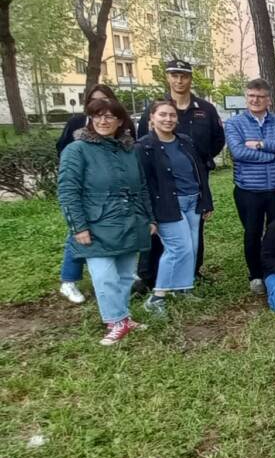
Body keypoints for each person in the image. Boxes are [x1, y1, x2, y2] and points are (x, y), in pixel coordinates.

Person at [57, 98, 154, 345]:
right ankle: (116, 320)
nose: (103, 121)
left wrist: (149, 217)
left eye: (110, 116)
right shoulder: (77, 150)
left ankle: (123, 317)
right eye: (97, 115)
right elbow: (68, 191)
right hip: (96, 224)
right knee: (104, 276)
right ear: (90, 119)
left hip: (130, 221)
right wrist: (78, 226)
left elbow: (142, 186)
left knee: (125, 275)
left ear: (120, 121)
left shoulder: (128, 150)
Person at [133, 60, 224, 292]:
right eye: (174, 75)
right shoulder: (154, 109)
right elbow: (143, 143)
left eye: (184, 76)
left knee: (193, 235)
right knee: (160, 234)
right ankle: (150, 277)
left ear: (190, 79)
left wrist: (201, 161)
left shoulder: (205, 109)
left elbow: (218, 139)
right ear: (168, 78)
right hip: (161, 185)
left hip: (194, 179)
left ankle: (190, 275)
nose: (179, 80)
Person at [136, 101, 213, 317]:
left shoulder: (185, 141)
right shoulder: (144, 147)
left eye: (172, 115)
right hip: (168, 205)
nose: (168, 119)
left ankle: (183, 288)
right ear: (152, 118)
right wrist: (149, 216)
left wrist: (206, 200)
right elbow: (143, 184)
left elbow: (199, 172)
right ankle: (157, 297)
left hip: (193, 202)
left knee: (192, 248)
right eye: (162, 115)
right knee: (178, 249)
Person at [226, 78, 275, 294]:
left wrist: (261, 144)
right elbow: (239, 152)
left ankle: (274, 270)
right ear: (246, 97)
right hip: (249, 189)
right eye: (251, 96)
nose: (255, 100)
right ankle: (256, 274)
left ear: (269, 100)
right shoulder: (235, 123)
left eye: (260, 96)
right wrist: (273, 155)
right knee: (252, 233)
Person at [56, 83, 125, 304]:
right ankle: (69, 279)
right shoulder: (77, 123)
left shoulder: (118, 123)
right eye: (94, 100)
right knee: (79, 233)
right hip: (86, 190)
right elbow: (64, 149)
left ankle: (117, 275)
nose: (100, 105)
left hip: (111, 191)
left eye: (104, 99)